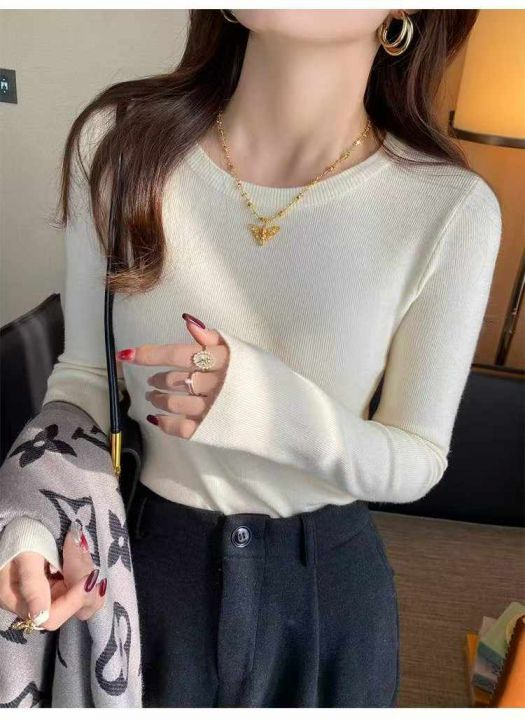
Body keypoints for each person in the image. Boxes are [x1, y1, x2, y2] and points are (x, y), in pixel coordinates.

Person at [0, 8, 502, 708]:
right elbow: (85, 380)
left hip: (325, 601)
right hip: (145, 571)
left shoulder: (447, 208)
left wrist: (273, 411)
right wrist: (35, 517)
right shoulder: (119, 143)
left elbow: (418, 456)